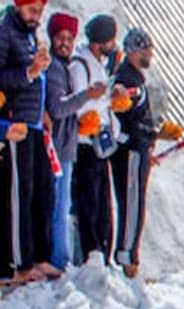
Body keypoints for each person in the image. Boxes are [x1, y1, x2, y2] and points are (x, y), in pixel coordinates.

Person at [112, 28, 183, 278]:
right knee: (132, 203)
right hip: (131, 150)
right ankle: (127, 255)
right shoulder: (127, 81)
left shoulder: (136, 79)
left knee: (135, 202)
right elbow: (127, 119)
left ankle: (130, 253)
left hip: (139, 150)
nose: (149, 55)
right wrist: (153, 134)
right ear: (133, 52)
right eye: (145, 51)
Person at [0, 0, 54, 281]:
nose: (36, 17)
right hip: (15, 123)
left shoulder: (30, 34)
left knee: (40, 191)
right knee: (19, 194)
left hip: (33, 122)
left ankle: (38, 255)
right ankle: (20, 262)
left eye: (40, 12)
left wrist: (43, 108)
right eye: (32, 10)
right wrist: (29, 73)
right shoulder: (6, 30)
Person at [45, 12, 101, 268]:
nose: (65, 43)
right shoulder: (56, 69)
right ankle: (59, 260)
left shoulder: (63, 67)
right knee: (58, 208)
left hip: (64, 148)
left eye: (69, 38)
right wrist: (86, 95)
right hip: (57, 150)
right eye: (60, 38)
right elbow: (58, 108)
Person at [70, 13, 119, 267]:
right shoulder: (81, 65)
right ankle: (91, 255)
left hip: (101, 143)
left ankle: (103, 253)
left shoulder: (99, 65)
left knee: (103, 207)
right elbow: (80, 103)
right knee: (88, 204)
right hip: (85, 144)